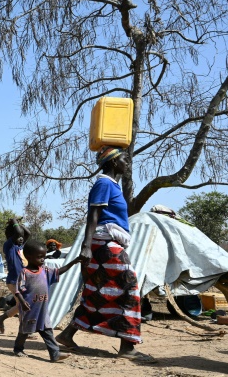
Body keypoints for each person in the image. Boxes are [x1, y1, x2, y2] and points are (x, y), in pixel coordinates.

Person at [55, 146, 154, 362]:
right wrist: (86, 245)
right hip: (105, 243)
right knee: (129, 288)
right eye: (123, 160)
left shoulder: (113, 186)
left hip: (105, 242)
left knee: (96, 290)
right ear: (112, 162)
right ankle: (127, 348)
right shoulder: (103, 183)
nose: (127, 163)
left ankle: (67, 335)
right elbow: (93, 214)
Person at [12, 240, 80, 362]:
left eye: (44, 256)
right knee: (24, 331)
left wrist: (73, 262)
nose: (43, 259)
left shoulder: (45, 271)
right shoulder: (25, 273)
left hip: (42, 310)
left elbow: (59, 271)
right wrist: (22, 303)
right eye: (39, 257)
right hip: (29, 310)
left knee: (48, 332)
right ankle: (18, 349)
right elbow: (18, 291)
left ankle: (55, 354)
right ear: (29, 257)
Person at [0, 219, 31, 333]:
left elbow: (28, 233)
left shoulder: (20, 246)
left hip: (22, 280)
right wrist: (14, 222)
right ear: (12, 236)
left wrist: (19, 225)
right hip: (14, 281)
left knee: (22, 305)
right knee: (23, 305)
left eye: (22, 237)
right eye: (19, 236)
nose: (21, 238)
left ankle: (1, 318)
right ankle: (24, 330)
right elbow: (18, 234)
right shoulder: (9, 246)